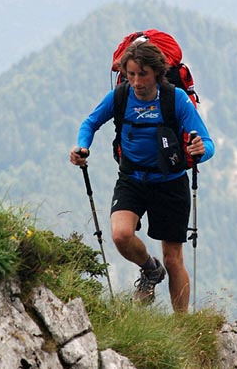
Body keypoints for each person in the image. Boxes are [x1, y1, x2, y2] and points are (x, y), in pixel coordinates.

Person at [70, 40, 214, 313]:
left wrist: (200, 150)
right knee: (121, 235)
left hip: (171, 182)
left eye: (143, 74)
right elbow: (90, 123)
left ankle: (182, 328)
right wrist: (82, 147)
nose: (136, 81)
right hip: (132, 179)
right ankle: (150, 269)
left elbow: (208, 143)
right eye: (132, 74)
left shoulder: (175, 99)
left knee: (173, 260)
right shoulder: (120, 97)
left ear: (157, 73)